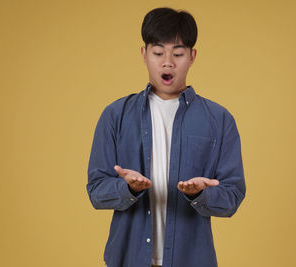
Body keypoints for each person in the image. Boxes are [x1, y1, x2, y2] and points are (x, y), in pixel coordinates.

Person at [86, 7, 246, 267]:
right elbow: (96, 191)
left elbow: (233, 196)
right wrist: (128, 188)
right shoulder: (115, 116)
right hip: (127, 258)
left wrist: (200, 195)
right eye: (158, 52)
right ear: (144, 54)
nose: (168, 62)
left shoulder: (219, 120)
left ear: (192, 56)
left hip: (192, 259)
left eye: (178, 53)